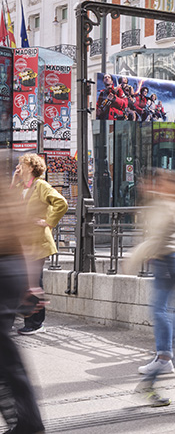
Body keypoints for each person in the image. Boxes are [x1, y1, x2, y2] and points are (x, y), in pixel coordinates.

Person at [130, 170, 175, 406]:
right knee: (162, 309)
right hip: (165, 261)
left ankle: (164, 356)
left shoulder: (169, 206)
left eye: (161, 183)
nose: (157, 186)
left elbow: (159, 235)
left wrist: (138, 256)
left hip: (166, 261)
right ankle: (165, 355)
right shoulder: (169, 203)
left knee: (159, 309)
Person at [0, 169, 46, 432]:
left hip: (4, 271)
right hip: (11, 271)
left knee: (5, 357)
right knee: (5, 355)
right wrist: (29, 284)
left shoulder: (36, 187)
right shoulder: (10, 193)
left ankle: (28, 422)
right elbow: (22, 236)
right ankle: (26, 421)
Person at [12, 153, 68, 335]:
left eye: (21, 164)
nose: (18, 167)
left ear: (31, 168)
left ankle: (36, 324)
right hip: (21, 243)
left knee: (34, 281)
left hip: (37, 242)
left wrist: (49, 222)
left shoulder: (40, 186)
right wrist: (13, 181)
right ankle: (17, 318)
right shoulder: (19, 187)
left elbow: (61, 203)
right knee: (19, 280)